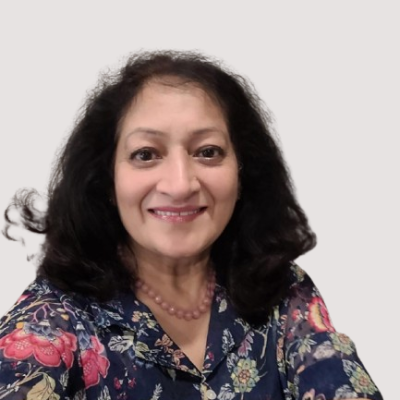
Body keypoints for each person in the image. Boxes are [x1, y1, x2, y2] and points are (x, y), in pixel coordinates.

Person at [0, 50, 382, 400]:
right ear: (106, 182)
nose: (180, 184)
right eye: (146, 154)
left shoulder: (283, 290)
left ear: (243, 173)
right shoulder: (49, 323)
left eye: (208, 152)